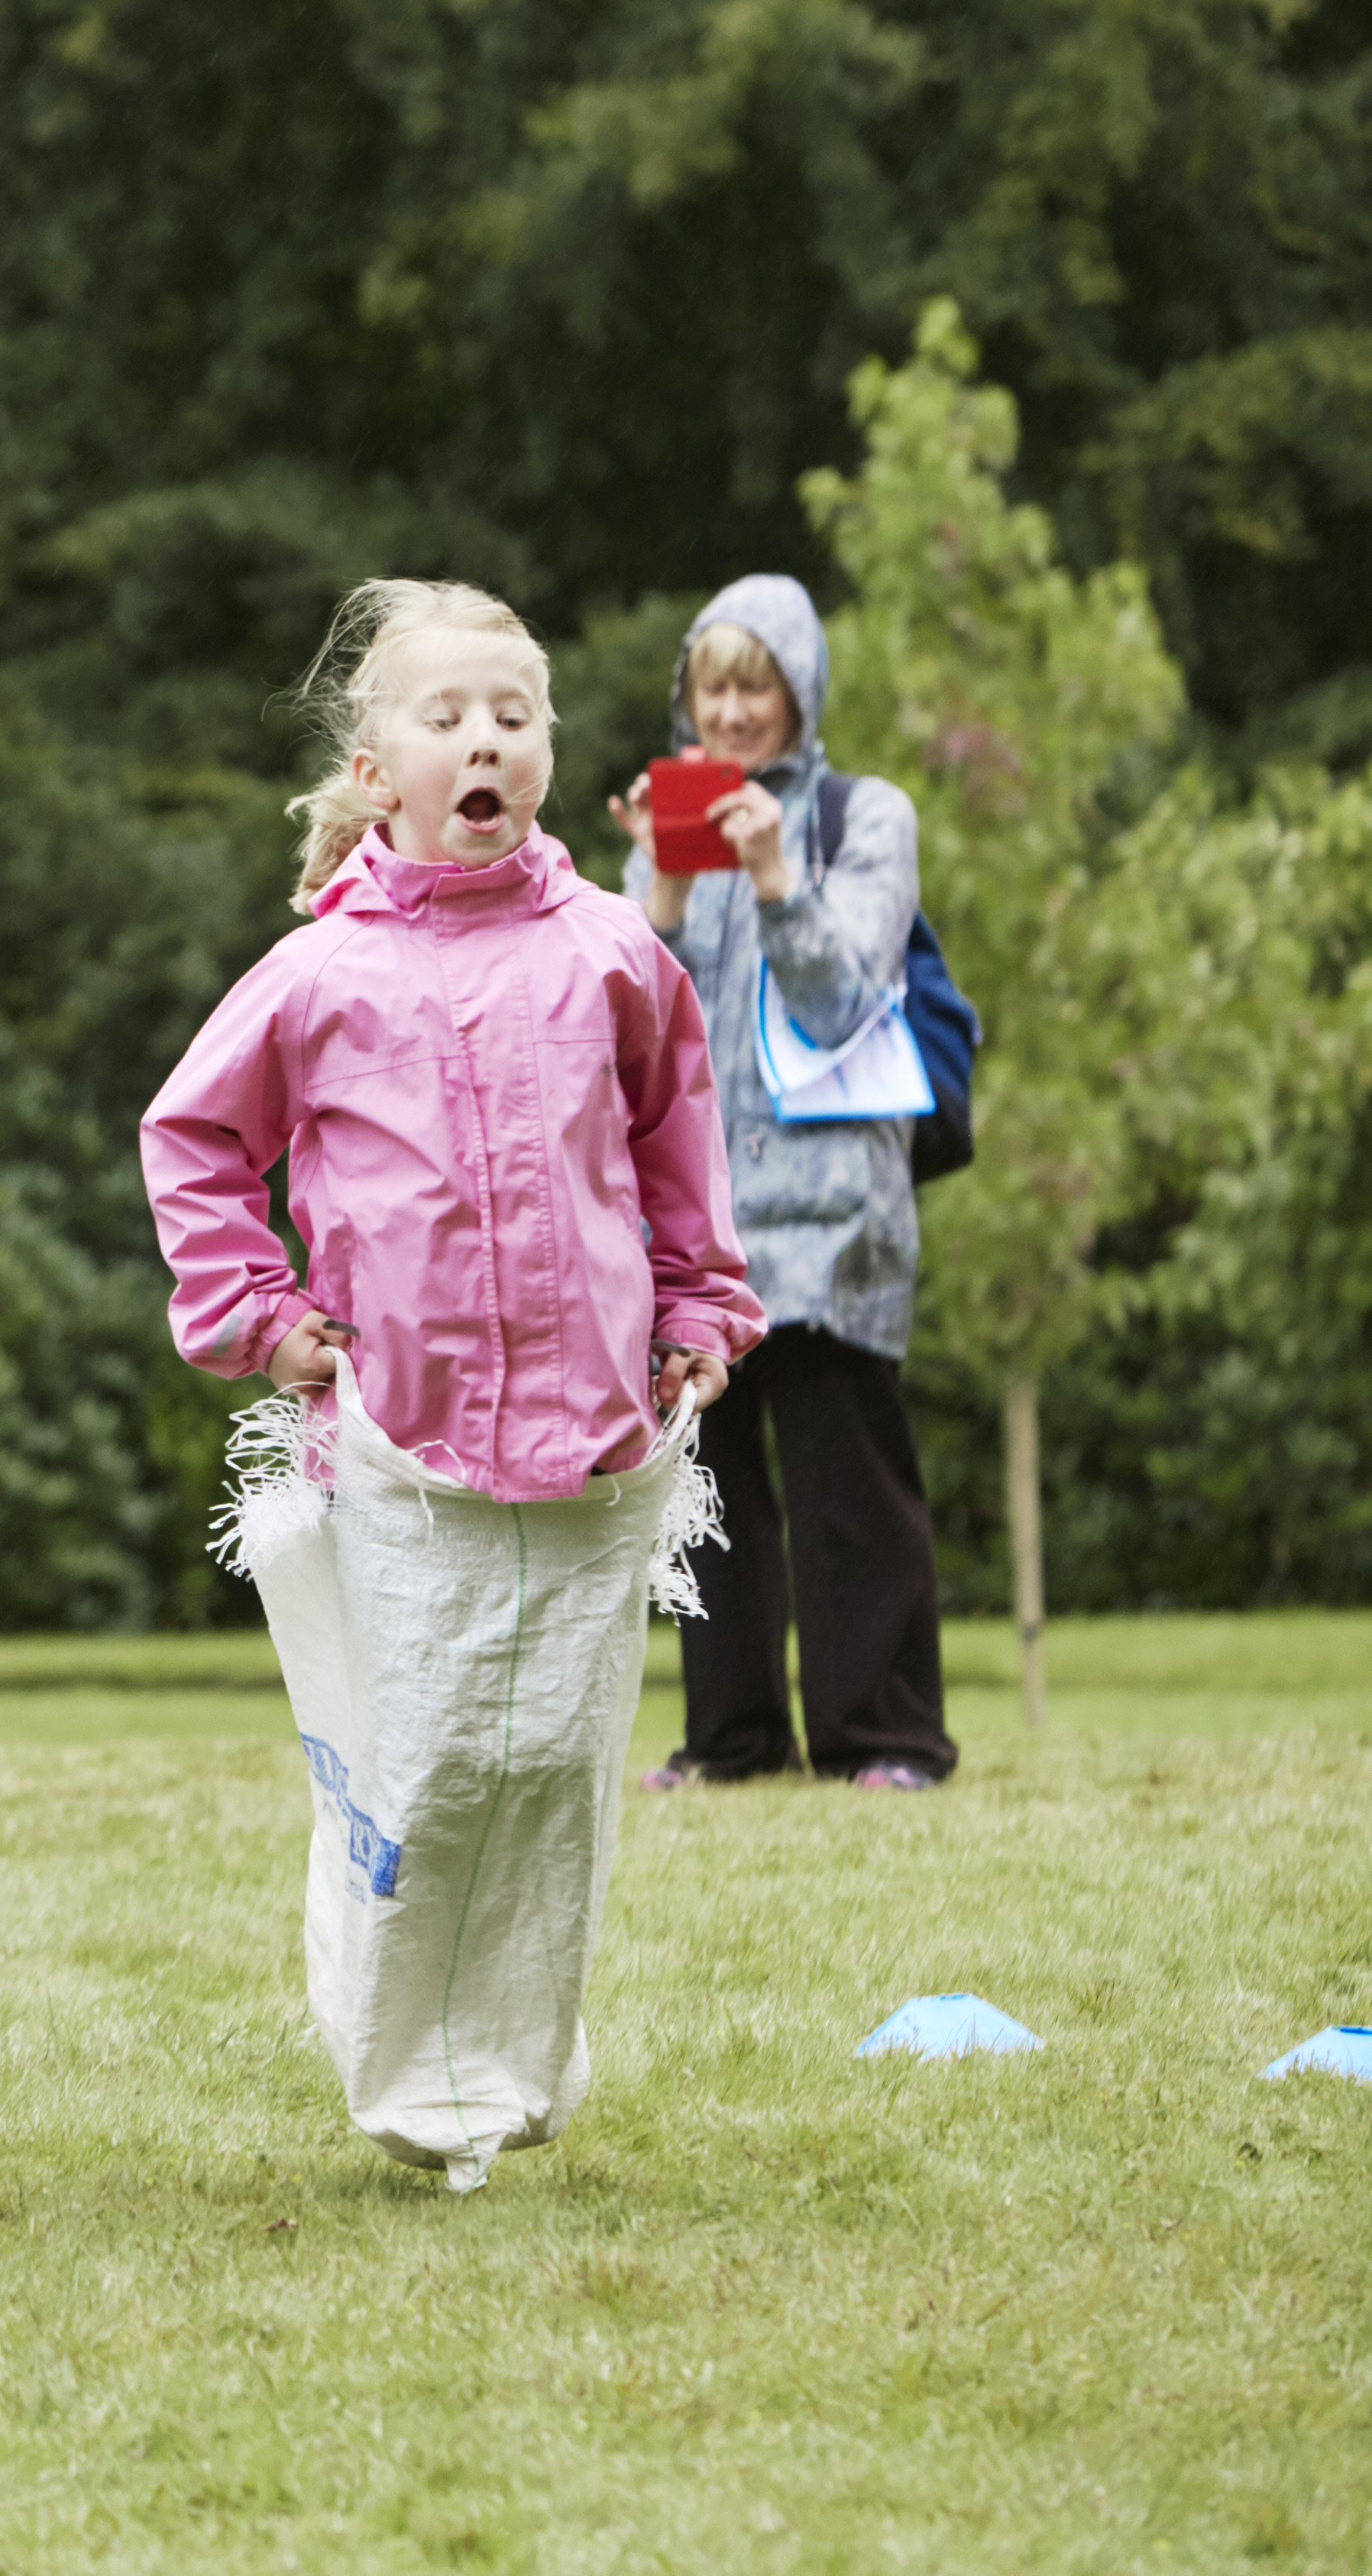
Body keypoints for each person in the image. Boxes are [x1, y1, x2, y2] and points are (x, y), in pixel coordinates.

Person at [143, 578, 764, 2186]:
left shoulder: (616, 954)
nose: (485, 740)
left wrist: (699, 1305)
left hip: (594, 1440)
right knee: (432, 1763)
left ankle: (511, 2067)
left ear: (549, 747)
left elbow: (677, 1146)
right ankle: (409, 2066)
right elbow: (197, 1140)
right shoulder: (320, 975)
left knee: (553, 1766)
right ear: (376, 766)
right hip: (403, 1441)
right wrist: (256, 1312)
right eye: (448, 717)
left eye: (514, 713)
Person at [605, 575, 958, 1791]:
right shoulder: (671, 830)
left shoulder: (867, 818)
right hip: (702, 1224)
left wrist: (771, 874)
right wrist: (656, 880)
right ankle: (732, 1741)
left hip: (835, 1218)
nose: (736, 710)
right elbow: (623, 1039)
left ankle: (887, 1739)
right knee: (709, 1500)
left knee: (847, 1490)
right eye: (715, 686)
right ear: (688, 698)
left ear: (801, 694)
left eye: (758, 685)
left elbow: (852, 995)